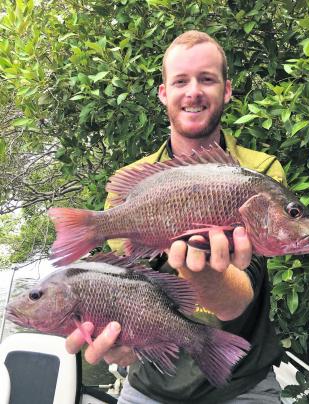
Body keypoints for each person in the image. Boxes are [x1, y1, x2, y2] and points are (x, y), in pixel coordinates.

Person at [66, 31, 287, 403]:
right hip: (152, 383)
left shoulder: (258, 171)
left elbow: (237, 300)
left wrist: (202, 272)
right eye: (180, 81)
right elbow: (133, 284)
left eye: (207, 79)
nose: (193, 91)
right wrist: (122, 341)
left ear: (227, 89)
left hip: (242, 382)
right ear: (163, 93)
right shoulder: (131, 186)